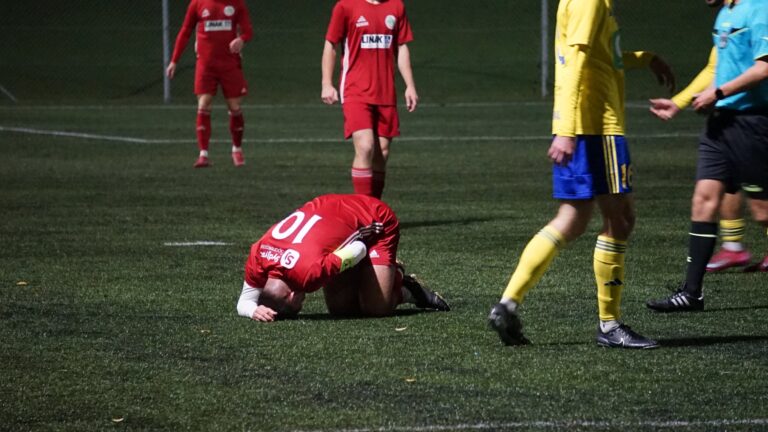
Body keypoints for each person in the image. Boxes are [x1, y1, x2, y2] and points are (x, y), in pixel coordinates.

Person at [488, 0, 676, 349]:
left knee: (571, 220)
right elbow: (574, 61)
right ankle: (609, 325)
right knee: (620, 220)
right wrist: (565, 129)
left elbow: (601, 57)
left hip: (583, 126)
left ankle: (507, 305)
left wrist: (645, 58)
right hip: (596, 127)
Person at [647, 0, 768, 312]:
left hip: (753, 123)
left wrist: (718, 94)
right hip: (719, 126)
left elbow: (764, 68)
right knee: (704, 198)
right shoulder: (724, 13)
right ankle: (691, 292)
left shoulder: (761, 8)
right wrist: (680, 102)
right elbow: (719, 71)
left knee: (763, 211)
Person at [236, 194, 450, 321]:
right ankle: (375, 277)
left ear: (292, 296)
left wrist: (341, 262)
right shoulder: (258, 255)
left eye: (299, 304)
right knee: (342, 310)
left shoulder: (308, 274)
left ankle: (404, 285)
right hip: (329, 207)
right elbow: (244, 302)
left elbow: (358, 249)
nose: (303, 301)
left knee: (376, 308)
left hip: (375, 220)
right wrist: (254, 310)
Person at [320, 0, 419, 199]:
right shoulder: (346, 6)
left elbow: (402, 47)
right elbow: (331, 45)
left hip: (385, 91)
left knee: (381, 153)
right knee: (365, 146)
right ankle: (365, 212)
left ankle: (374, 211)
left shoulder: (396, 6)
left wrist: (410, 85)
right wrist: (326, 83)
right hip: (355, 90)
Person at [166, 0, 253, 168]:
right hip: (206, 65)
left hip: (229, 64)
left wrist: (241, 39)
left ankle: (237, 149)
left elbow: (248, 31)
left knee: (234, 106)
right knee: (204, 103)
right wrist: (174, 60)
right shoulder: (197, 3)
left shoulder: (236, 4)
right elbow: (185, 31)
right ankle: (203, 154)